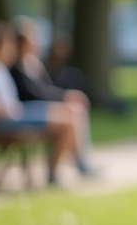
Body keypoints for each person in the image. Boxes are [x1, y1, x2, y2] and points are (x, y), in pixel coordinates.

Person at [0, 20, 81, 186]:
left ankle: (65, 168)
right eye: (6, 45)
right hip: (6, 120)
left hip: (13, 114)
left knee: (68, 115)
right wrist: (13, 111)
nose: (10, 49)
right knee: (67, 122)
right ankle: (55, 174)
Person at [9, 16, 100, 175]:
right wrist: (64, 97)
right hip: (31, 109)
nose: (36, 43)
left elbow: (47, 87)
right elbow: (33, 93)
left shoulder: (33, 63)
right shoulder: (16, 68)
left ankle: (79, 161)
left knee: (75, 109)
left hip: (42, 107)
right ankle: (69, 166)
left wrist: (65, 96)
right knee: (71, 114)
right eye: (32, 39)